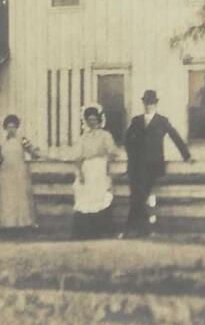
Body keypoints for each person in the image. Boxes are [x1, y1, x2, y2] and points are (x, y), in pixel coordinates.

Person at [123, 89, 193, 237]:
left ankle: (132, 228)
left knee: (139, 196)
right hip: (136, 166)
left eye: (151, 103)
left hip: (153, 166)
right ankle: (139, 230)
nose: (149, 106)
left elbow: (176, 137)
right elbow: (127, 141)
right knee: (138, 196)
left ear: (156, 104)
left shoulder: (162, 121)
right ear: (143, 103)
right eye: (146, 103)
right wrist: (132, 156)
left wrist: (186, 156)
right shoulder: (136, 121)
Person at [72, 106, 121, 239]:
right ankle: (86, 231)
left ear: (99, 120)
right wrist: (80, 173)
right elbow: (78, 156)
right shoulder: (83, 137)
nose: (92, 122)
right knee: (85, 197)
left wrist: (106, 164)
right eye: (89, 120)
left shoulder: (105, 135)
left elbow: (113, 152)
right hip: (87, 168)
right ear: (86, 121)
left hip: (100, 167)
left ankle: (102, 229)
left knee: (100, 197)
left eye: (94, 119)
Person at [0, 114, 40, 232]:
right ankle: (8, 225)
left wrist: (35, 152)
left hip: (20, 173)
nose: (11, 129)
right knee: (8, 198)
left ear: (17, 128)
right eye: (9, 127)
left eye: (13, 127)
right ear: (5, 128)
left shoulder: (22, 140)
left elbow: (33, 152)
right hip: (6, 174)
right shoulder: (1, 144)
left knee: (20, 198)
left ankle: (22, 225)